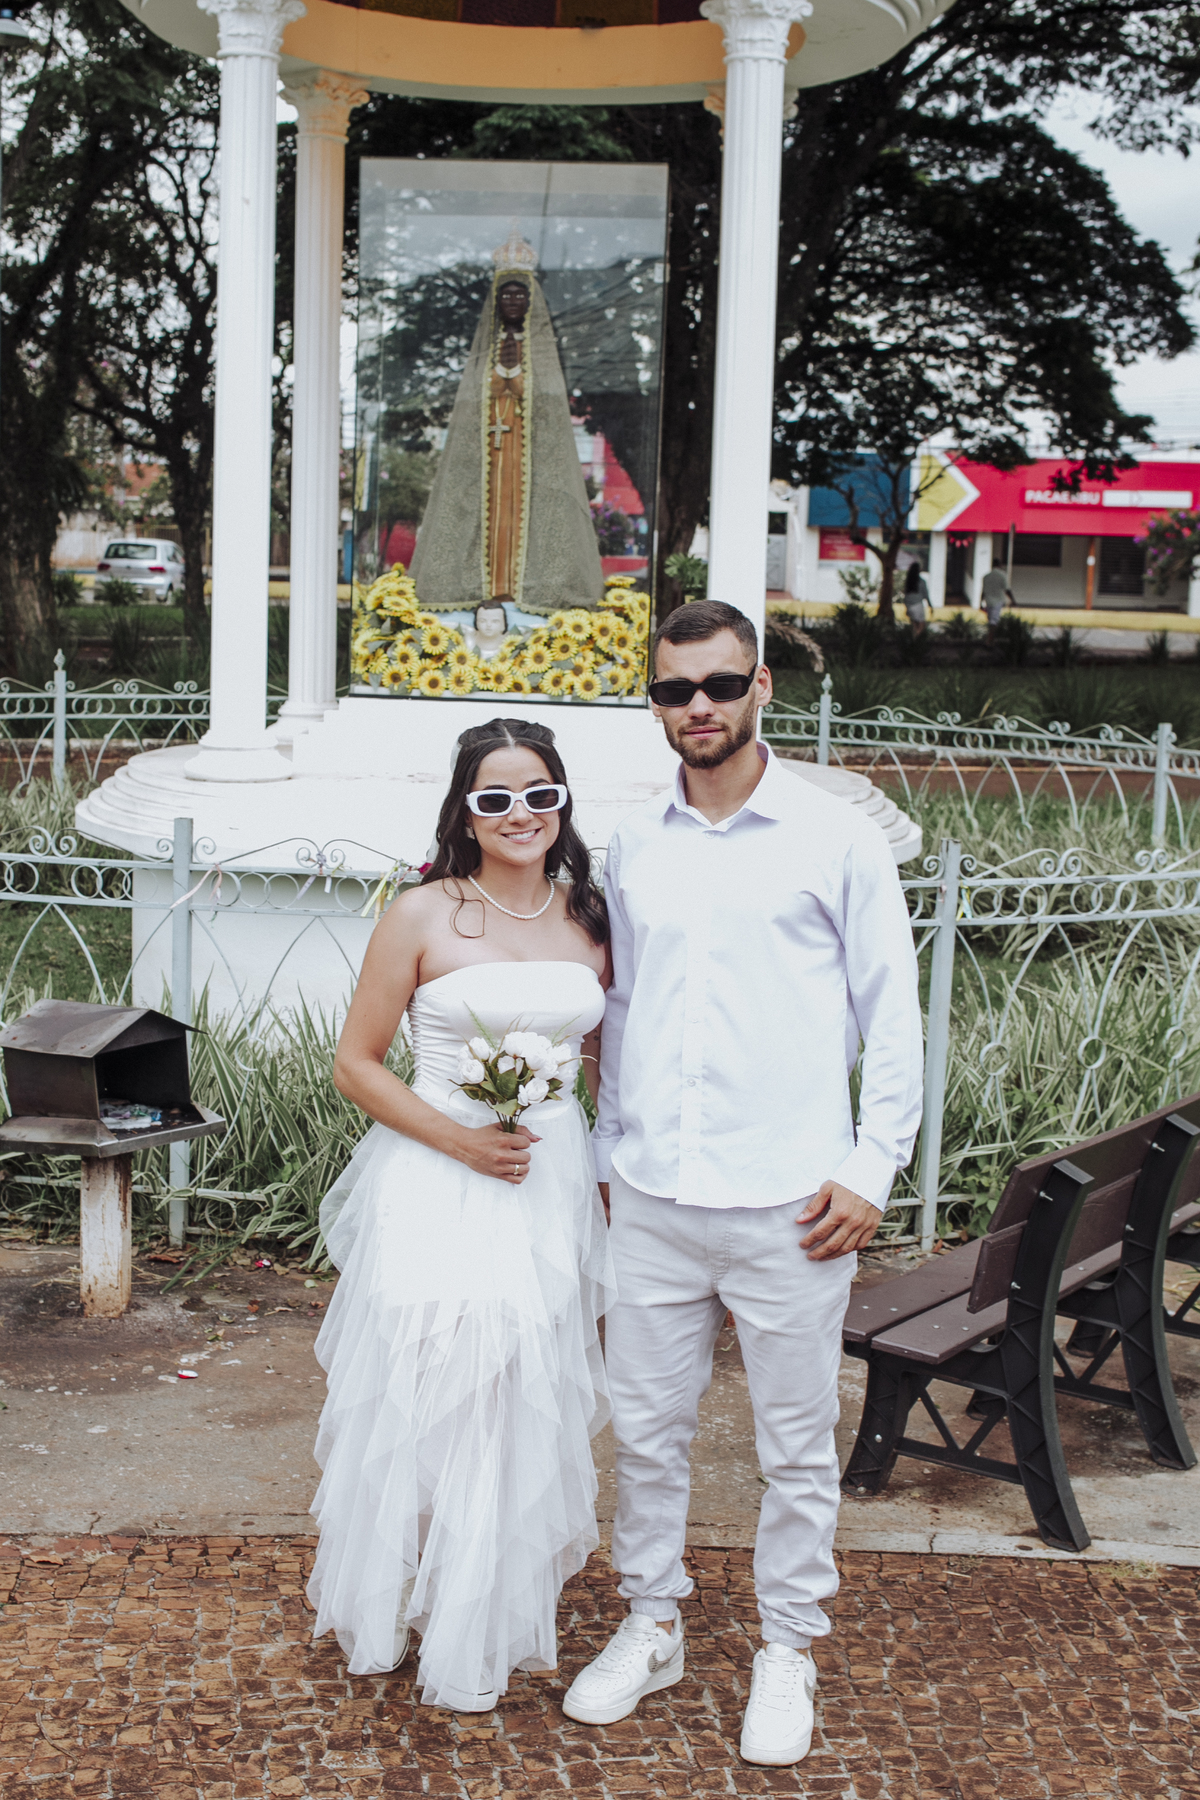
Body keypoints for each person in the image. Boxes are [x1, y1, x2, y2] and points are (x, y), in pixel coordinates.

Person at [562, 601, 923, 1767]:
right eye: (677, 690)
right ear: (655, 703)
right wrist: (609, 1150)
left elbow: (893, 1016)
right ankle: (652, 1620)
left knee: (795, 1446)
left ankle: (788, 1647)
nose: (700, 707)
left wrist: (872, 1166)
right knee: (647, 1431)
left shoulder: (836, 837)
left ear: (762, 686)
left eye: (721, 684)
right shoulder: (632, 845)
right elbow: (617, 1012)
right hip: (653, 1197)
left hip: (794, 1206)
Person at [307, 716, 614, 1710]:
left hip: (547, 1179)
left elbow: (602, 1061)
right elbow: (356, 1064)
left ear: (562, 803)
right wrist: (464, 1143)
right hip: (439, 1175)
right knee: (433, 1381)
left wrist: (604, 1175)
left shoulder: (589, 918)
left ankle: (479, 1615)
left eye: (539, 794)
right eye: (496, 798)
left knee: (522, 1384)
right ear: (466, 813)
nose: (520, 813)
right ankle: (390, 1599)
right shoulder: (423, 914)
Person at [409, 230, 604, 617]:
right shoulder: (485, 351)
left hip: (527, 457)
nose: (513, 301)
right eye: (506, 295)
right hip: (490, 455)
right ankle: (490, 588)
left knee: (522, 516)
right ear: (496, 301)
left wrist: (519, 383)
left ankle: (519, 589)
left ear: (530, 301)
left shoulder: (541, 355)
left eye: (520, 295)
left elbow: (548, 407)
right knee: (489, 515)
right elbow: (473, 404)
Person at [980, 561, 1014, 640]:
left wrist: (980, 603)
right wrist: (1012, 600)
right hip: (998, 600)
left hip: (988, 600)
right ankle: (990, 640)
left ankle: (990, 639)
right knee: (994, 621)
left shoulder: (986, 577)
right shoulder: (1002, 575)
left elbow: (983, 591)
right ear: (1000, 565)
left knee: (991, 620)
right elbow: (1007, 589)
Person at [902, 560, 930, 634]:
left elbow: (905, 595)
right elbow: (925, 594)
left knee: (914, 626)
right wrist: (930, 605)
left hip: (909, 605)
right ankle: (917, 639)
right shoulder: (921, 581)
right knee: (921, 625)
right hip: (918, 605)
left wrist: (907, 608)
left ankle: (913, 639)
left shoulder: (908, 582)